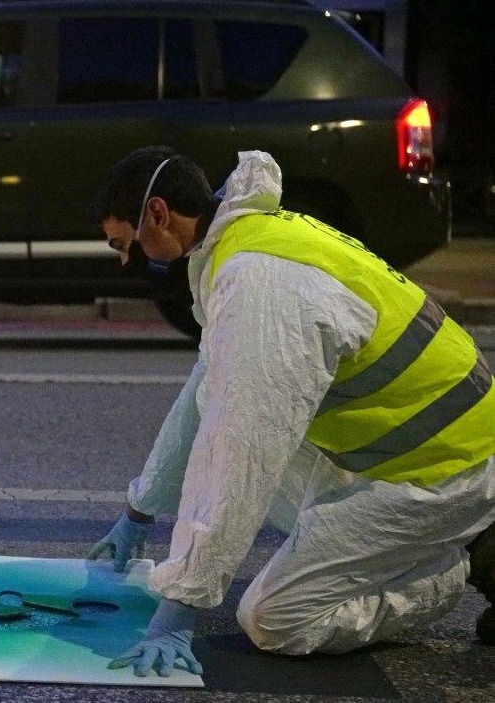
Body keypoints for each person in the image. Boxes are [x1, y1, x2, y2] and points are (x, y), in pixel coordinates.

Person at [85, 146, 495, 677]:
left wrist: (180, 607)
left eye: (126, 243)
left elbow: (240, 452)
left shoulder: (258, 283)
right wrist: (140, 511)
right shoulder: (250, 239)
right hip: (422, 443)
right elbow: (203, 397)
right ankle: (446, 537)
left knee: (273, 620)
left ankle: (443, 573)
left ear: (158, 214)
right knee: (223, 409)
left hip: (442, 468)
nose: (125, 259)